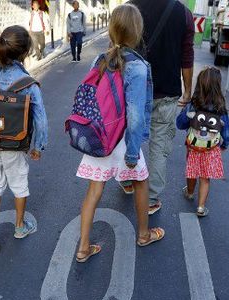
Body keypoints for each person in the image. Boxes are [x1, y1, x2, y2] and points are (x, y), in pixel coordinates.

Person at [75, 3, 164, 263]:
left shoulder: (98, 60)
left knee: (94, 190)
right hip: (124, 140)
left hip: (100, 136)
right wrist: (134, 152)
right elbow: (135, 115)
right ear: (137, 31)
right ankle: (144, 234)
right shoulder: (138, 66)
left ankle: (83, 247)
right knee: (141, 182)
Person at [0, 26, 49, 253]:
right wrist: (37, 146)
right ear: (25, 52)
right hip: (15, 144)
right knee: (19, 184)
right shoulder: (27, 83)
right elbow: (41, 121)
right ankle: (19, 226)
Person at [126, 0, 195, 216]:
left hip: (133, 91)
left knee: (129, 137)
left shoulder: (130, 7)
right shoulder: (183, 13)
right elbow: (187, 56)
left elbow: (117, 49)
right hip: (167, 91)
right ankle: (151, 199)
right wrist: (187, 90)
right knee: (158, 147)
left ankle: (127, 180)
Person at [176, 66, 229, 217]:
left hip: (193, 147)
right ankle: (200, 207)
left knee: (192, 170)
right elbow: (226, 131)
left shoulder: (193, 104)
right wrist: (225, 144)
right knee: (205, 177)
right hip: (211, 149)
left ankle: (190, 192)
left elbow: (180, 124)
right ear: (218, 87)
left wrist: (188, 115)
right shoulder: (221, 109)